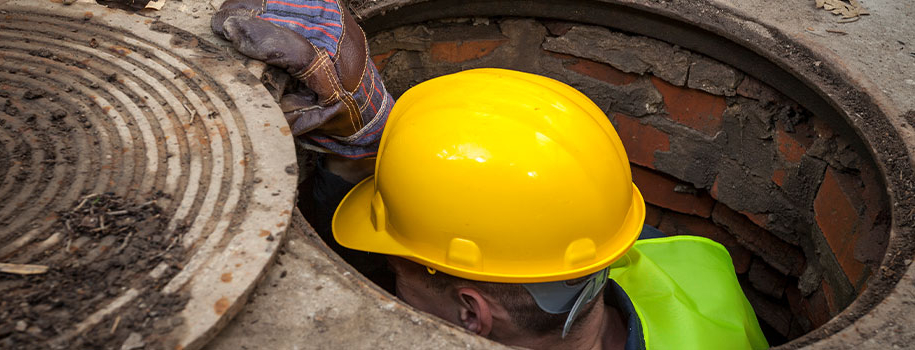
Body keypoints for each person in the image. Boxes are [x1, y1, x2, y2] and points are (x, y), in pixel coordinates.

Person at [212, 1, 769, 349]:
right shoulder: (698, 268)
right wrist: (365, 150)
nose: (387, 272)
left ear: (471, 313)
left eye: (397, 266)